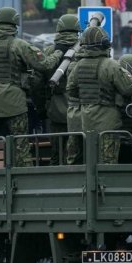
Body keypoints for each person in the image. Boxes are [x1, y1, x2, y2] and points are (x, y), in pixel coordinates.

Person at [0, 6, 59, 166]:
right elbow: (44, 65)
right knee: (21, 147)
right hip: (15, 105)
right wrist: (57, 53)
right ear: (14, 24)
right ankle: (24, 176)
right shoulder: (19, 45)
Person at [65, 26, 132, 164]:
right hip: (108, 123)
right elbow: (130, 88)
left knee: (90, 160)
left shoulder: (79, 65)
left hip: (86, 121)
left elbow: (71, 89)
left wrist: (88, 97)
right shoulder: (110, 65)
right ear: (104, 44)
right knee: (107, 162)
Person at [43, 14, 80, 164]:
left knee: (57, 154)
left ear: (58, 30)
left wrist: (42, 107)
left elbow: (37, 81)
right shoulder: (85, 51)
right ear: (77, 30)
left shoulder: (49, 51)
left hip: (56, 110)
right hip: (80, 110)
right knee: (79, 155)